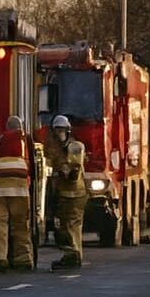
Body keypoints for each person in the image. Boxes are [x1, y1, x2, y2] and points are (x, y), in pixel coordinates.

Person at [0, 116, 33, 272]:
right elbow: (30, 162)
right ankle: (23, 258)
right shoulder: (25, 139)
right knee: (20, 224)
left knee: (0, 223)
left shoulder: (0, 139)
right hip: (19, 184)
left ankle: (0, 258)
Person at [45, 115, 87, 271]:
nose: (59, 133)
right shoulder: (54, 148)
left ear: (68, 130)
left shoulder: (75, 147)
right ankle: (74, 255)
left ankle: (73, 254)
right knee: (67, 226)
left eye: (61, 130)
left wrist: (63, 171)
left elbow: (74, 170)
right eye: (57, 130)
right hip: (64, 194)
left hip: (74, 193)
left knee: (71, 226)